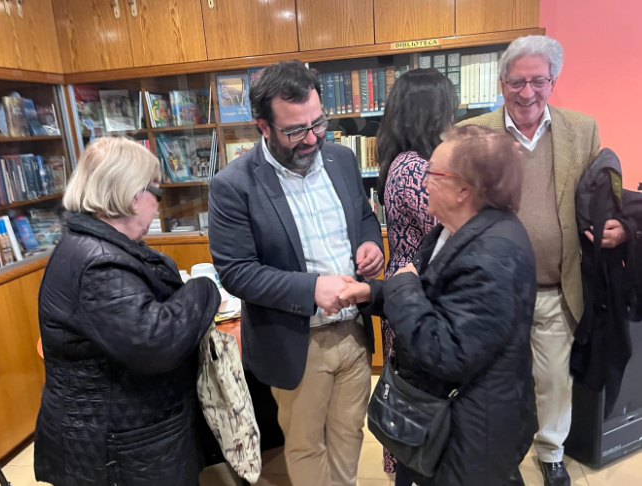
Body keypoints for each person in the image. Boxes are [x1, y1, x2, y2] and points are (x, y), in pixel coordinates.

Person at [460, 35, 628, 486]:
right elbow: (457, 207)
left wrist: (618, 226)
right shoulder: (476, 134)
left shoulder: (582, 129)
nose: (527, 93)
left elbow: (602, 194)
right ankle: (500, 453)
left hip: (557, 284)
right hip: (495, 291)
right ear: (501, 82)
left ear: (553, 81)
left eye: (538, 81)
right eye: (517, 82)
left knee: (554, 380)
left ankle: (551, 452)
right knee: (497, 381)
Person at [208, 60, 384, 486]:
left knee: (348, 434)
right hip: (296, 341)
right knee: (306, 445)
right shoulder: (233, 185)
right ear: (262, 126)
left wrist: (371, 245)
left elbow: (362, 216)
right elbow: (236, 272)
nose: (311, 138)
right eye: (294, 130)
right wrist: (312, 289)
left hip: (353, 333)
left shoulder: (340, 159)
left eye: (317, 123)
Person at [340, 125, 537, 486]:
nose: (423, 181)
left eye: (433, 173)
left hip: (471, 432)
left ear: (464, 189)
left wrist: (401, 282)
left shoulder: (493, 253)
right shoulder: (453, 229)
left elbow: (445, 351)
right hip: (443, 416)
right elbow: (435, 302)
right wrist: (373, 294)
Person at [34, 137, 221, 486]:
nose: (158, 206)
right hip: (119, 446)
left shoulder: (97, 246)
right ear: (134, 195)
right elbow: (156, 343)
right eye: (158, 193)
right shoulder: (99, 263)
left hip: (125, 432)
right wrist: (204, 287)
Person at [374, 68, 456, 477]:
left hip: (415, 293)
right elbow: (450, 226)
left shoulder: (414, 162)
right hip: (413, 296)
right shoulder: (411, 168)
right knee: (413, 402)